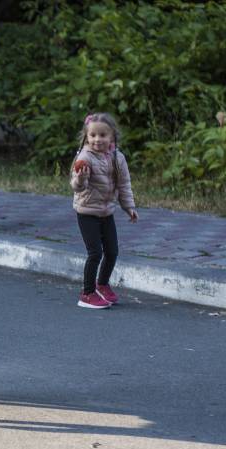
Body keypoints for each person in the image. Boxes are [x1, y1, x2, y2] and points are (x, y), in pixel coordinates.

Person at [70, 113, 139, 309]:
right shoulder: (84, 158)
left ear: (112, 137)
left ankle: (102, 284)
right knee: (95, 253)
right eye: (92, 135)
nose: (97, 140)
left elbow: (124, 185)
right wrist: (81, 179)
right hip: (87, 212)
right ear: (86, 136)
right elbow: (77, 186)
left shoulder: (118, 157)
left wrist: (129, 207)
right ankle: (87, 293)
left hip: (106, 212)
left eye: (102, 135)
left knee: (112, 251)